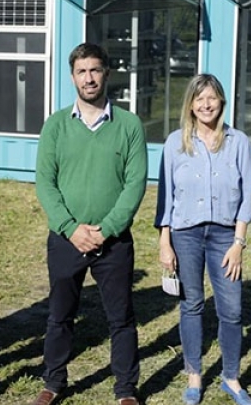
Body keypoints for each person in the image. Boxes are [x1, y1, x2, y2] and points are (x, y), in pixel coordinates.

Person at [33, 43, 148, 405]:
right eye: (82, 72)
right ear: (72, 77)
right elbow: (44, 183)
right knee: (59, 316)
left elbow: (135, 184)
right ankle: (53, 383)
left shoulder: (129, 125)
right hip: (67, 239)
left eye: (95, 70)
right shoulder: (55, 125)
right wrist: (71, 229)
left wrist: (106, 228)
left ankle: (126, 390)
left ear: (107, 74)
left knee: (121, 318)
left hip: (113, 242)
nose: (89, 78)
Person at [154, 74, 251, 405]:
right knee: (192, 304)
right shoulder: (175, 143)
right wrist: (164, 242)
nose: (206, 104)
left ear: (221, 102)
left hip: (225, 235)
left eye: (212, 98)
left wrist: (238, 245)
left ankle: (231, 378)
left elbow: (246, 198)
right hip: (185, 233)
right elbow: (165, 197)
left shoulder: (238, 142)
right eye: (199, 99)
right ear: (191, 105)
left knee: (232, 309)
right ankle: (195, 375)